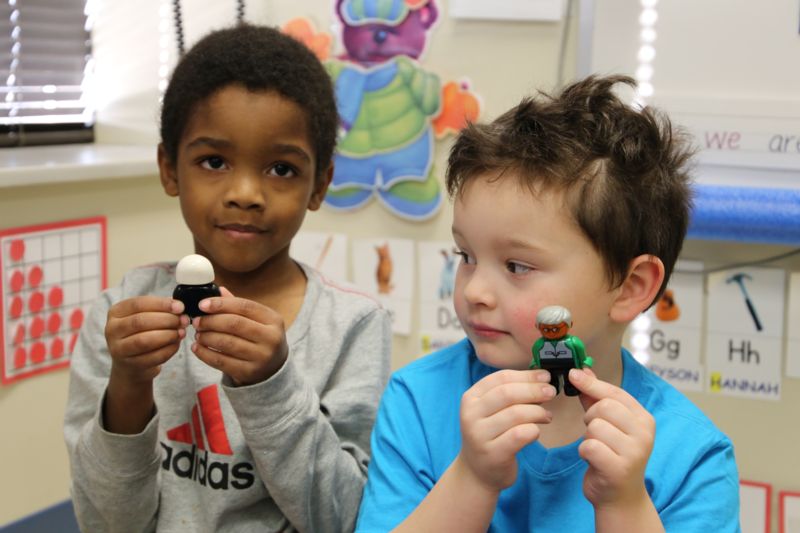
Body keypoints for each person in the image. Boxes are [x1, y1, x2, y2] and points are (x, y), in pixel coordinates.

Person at [356, 75, 740, 532]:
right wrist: (473, 477)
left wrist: (623, 504)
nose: (475, 291)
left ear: (631, 286)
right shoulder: (417, 401)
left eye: (517, 266)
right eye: (467, 256)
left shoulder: (692, 456)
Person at [63, 24, 392, 533]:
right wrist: (128, 387)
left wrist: (272, 385)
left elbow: (343, 518)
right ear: (170, 168)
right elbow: (106, 523)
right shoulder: (121, 313)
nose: (244, 193)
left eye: (281, 169)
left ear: (319, 184)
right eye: (214, 161)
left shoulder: (352, 327)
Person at [530, 305, 593, 397]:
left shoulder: (573, 342)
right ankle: (553, 388)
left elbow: (581, 354)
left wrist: (584, 363)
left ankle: (571, 388)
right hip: (548, 366)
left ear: (570, 325)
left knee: (571, 380)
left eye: (556, 329)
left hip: (569, 365)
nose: (551, 333)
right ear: (538, 327)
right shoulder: (539, 344)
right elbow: (536, 356)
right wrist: (535, 364)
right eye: (546, 329)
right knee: (551, 381)